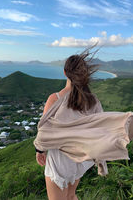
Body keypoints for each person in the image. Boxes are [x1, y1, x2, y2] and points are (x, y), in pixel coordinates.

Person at [36, 44, 103, 200]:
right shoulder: (93, 100)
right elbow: (99, 127)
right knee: (71, 195)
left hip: (59, 159)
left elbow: (44, 132)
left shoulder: (55, 99)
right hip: (80, 157)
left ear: (65, 72)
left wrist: (39, 151)